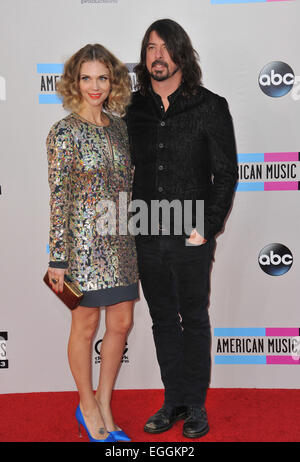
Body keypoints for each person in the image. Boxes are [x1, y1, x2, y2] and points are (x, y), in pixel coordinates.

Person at [126, 19, 238, 438]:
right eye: (150, 47)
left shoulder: (211, 105)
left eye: (165, 47)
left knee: (193, 317)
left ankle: (195, 406)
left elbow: (226, 174)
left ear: (181, 54)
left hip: (191, 232)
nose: (157, 55)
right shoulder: (133, 109)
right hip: (147, 231)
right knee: (161, 319)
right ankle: (172, 400)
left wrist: (207, 228)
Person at [46, 44, 138, 442]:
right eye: (87, 78)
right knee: (85, 326)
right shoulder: (63, 132)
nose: (95, 86)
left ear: (113, 81)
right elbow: (59, 196)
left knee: (122, 323)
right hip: (82, 247)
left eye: (102, 77)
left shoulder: (120, 126)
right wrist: (58, 257)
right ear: (74, 82)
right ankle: (86, 406)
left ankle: (104, 402)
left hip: (122, 242)